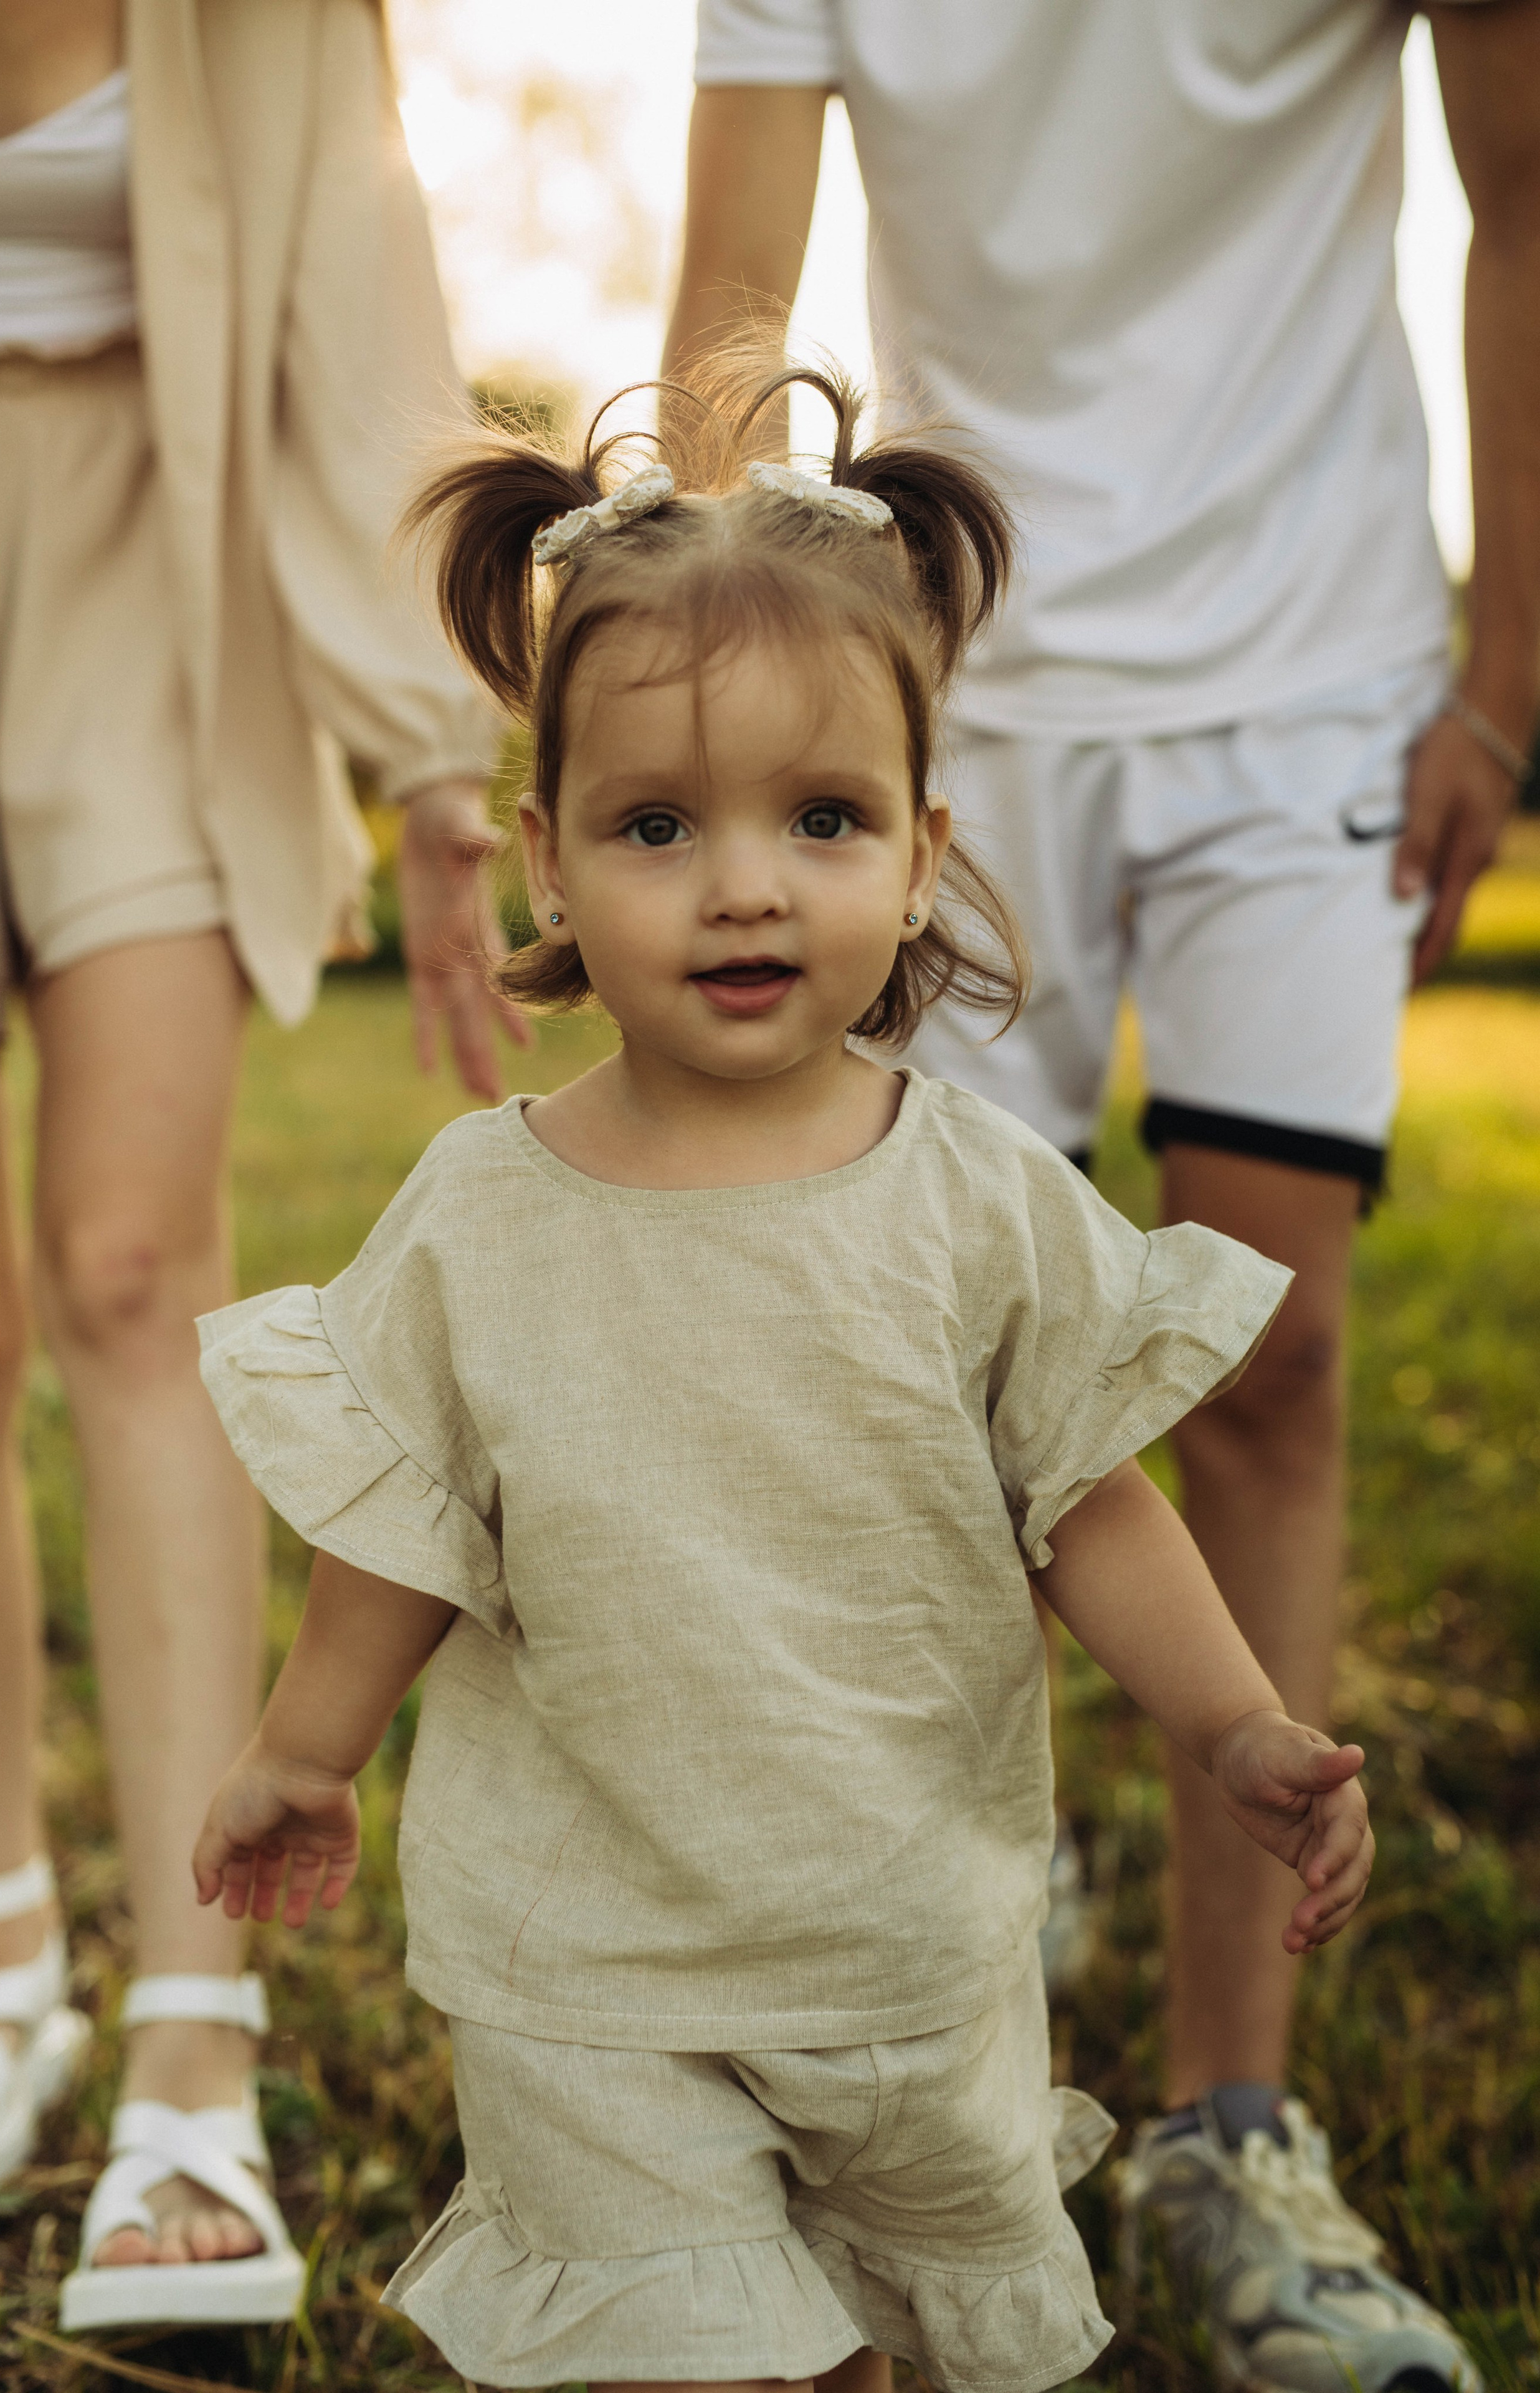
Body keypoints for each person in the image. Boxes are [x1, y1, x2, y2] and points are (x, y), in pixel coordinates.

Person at [189, 366, 1375, 2393]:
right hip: (595, 1967)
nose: (745, 883)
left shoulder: (981, 1199)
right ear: (550, 865)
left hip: (905, 1943)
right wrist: (309, 1748)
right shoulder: (485, 1211)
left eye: (819, 820)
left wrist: (1238, 1724)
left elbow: (1090, 1504)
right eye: (661, 826)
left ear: (917, 855)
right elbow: (406, 1526)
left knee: (868, 2355)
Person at [662, 7, 1539, 2386]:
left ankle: (1233, 2132)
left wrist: (1506, 668)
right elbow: (736, 308)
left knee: (1272, 1359)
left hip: (1313, 667)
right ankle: (932, 2067)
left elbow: (1522, 176)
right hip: (949, 695)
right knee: (930, 1372)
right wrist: (746, 727)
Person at [0, 0, 523, 2334]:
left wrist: (439, 772)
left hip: (150, 573)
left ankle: (197, 2023)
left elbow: (371, 319)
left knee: (123, 1267)